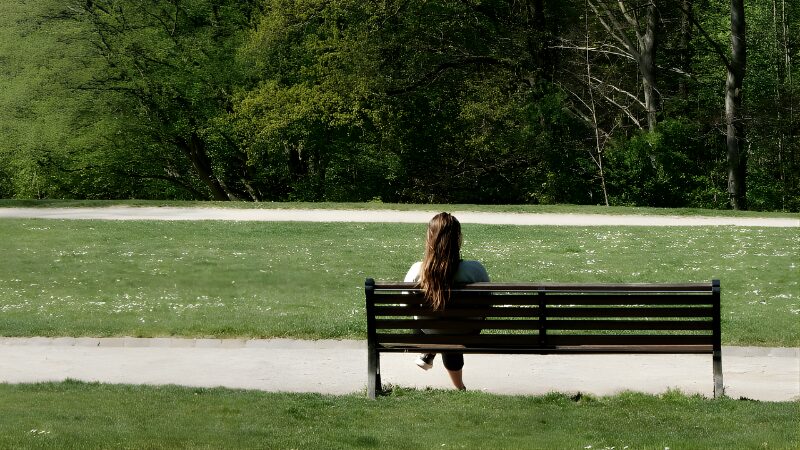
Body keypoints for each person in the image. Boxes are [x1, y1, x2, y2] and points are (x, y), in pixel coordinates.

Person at [403, 212, 490, 390]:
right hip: (468, 332)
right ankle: (459, 386)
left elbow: (406, 305)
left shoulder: (417, 271)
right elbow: (487, 304)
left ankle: (430, 350)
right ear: (458, 238)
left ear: (430, 238)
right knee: (452, 328)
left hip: (429, 331)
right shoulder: (475, 270)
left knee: (435, 326)